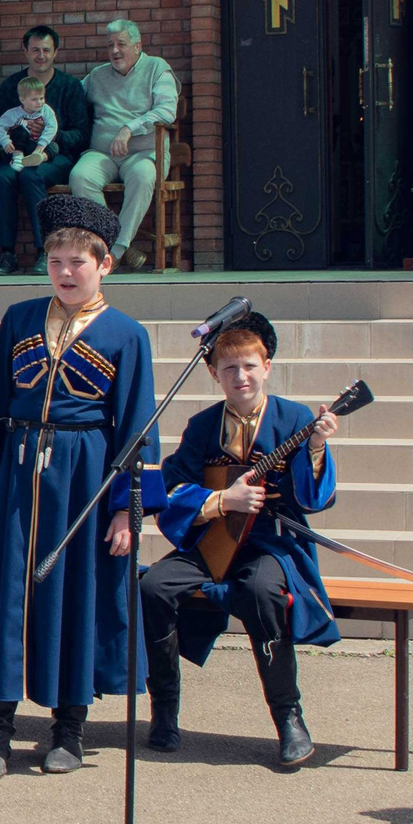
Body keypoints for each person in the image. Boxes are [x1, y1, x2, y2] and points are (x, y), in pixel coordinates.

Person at [0, 195, 159, 778]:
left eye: (78, 263)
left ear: (104, 265)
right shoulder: (19, 319)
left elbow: (137, 427)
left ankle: (67, 730)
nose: (66, 274)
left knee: (77, 596)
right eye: (56, 263)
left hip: (85, 479)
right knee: (9, 593)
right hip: (19, 472)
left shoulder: (127, 334)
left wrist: (126, 511)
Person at [139, 312, 340, 769]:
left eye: (250, 366)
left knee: (260, 590)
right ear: (213, 374)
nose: (241, 376)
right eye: (229, 369)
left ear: (266, 366)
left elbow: (314, 500)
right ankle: (164, 710)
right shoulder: (203, 426)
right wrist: (220, 500)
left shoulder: (295, 419)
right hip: (212, 542)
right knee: (152, 586)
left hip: (271, 544)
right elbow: (172, 488)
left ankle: (289, 717)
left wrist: (315, 449)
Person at [71, 19, 178, 270]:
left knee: (143, 176)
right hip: (103, 153)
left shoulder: (157, 68)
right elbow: (72, 98)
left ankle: (115, 252)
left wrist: (130, 128)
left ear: (138, 46)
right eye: (110, 46)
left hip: (143, 153)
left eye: (121, 44)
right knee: (80, 176)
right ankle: (118, 244)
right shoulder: (97, 76)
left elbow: (167, 111)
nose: (115, 51)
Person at [0, 25, 93, 274]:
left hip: (58, 157)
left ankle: (44, 252)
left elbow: (82, 135)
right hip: (18, 155)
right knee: (3, 178)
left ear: (56, 52)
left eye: (46, 50)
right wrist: (15, 144)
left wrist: (51, 135)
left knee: (31, 175)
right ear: (25, 51)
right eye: (35, 49)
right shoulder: (12, 86)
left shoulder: (70, 86)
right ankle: (6, 254)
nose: (41, 55)